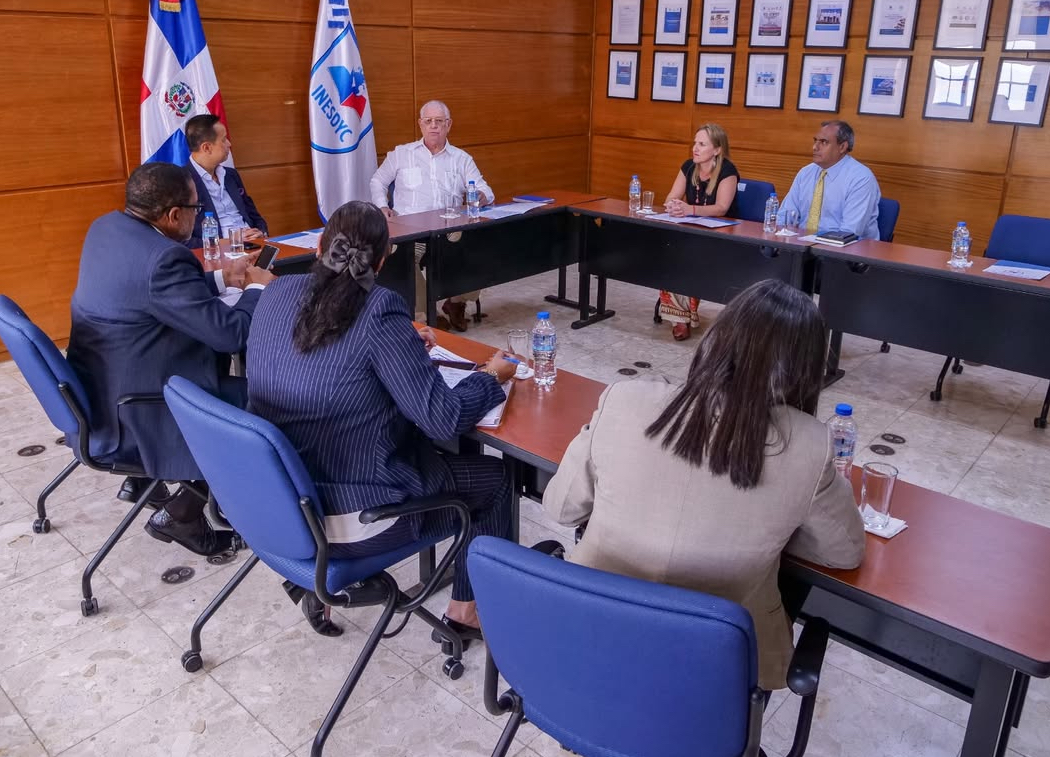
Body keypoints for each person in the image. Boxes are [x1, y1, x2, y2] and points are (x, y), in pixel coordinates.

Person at [543, 279, 865, 692]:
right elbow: (844, 551)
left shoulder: (625, 399)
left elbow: (560, 508)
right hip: (713, 676)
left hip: (587, 642)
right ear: (807, 371)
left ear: (716, 339)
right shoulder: (810, 444)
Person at [246, 200, 516, 640]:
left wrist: (400, 346)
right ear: (384, 259)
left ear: (319, 246)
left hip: (282, 502)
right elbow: (443, 419)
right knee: (498, 478)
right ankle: (466, 612)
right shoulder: (380, 308)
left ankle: (311, 585)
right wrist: (490, 377)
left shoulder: (277, 292)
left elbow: (321, 351)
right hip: (351, 511)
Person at [67, 162, 274, 555]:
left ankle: (171, 494)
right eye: (197, 209)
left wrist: (222, 278)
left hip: (103, 382)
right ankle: (188, 514)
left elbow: (149, 291)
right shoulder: (165, 258)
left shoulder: (107, 228)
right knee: (269, 402)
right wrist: (258, 290)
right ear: (174, 215)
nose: (199, 217)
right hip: (140, 405)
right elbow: (230, 335)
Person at [368, 100, 491, 331]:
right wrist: (382, 207)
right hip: (411, 231)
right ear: (420, 124)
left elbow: (486, 190)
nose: (433, 126)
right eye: (428, 121)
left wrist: (481, 196)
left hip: (450, 230)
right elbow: (378, 181)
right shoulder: (402, 154)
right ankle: (428, 312)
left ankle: (455, 302)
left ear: (448, 125)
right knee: (401, 260)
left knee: (480, 248)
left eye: (439, 121)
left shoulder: (461, 159)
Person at [658, 123, 740, 341]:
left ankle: (683, 316)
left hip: (721, 236)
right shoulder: (688, 167)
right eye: (695, 143)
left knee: (688, 255)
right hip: (691, 232)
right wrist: (674, 205)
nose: (695, 148)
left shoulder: (728, 171)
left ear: (717, 149)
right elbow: (671, 196)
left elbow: (721, 208)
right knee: (668, 251)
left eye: (702, 144)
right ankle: (679, 317)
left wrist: (690, 210)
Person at [779, 120, 880, 240]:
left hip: (844, 248)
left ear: (842, 147)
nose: (814, 147)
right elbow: (784, 216)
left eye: (823, 142)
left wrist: (812, 244)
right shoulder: (806, 172)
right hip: (802, 245)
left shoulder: (861, 178)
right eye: (815, 141)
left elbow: (849, 233)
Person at [182, 114, 268, 248]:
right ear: (206, 147)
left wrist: (261, 232)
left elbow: (254, 215)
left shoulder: (230, 175)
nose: (229, 144)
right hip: (217, 252)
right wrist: (229, 241)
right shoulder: (181, 181)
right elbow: (181, 240)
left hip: (253, 245)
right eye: (223, 140)